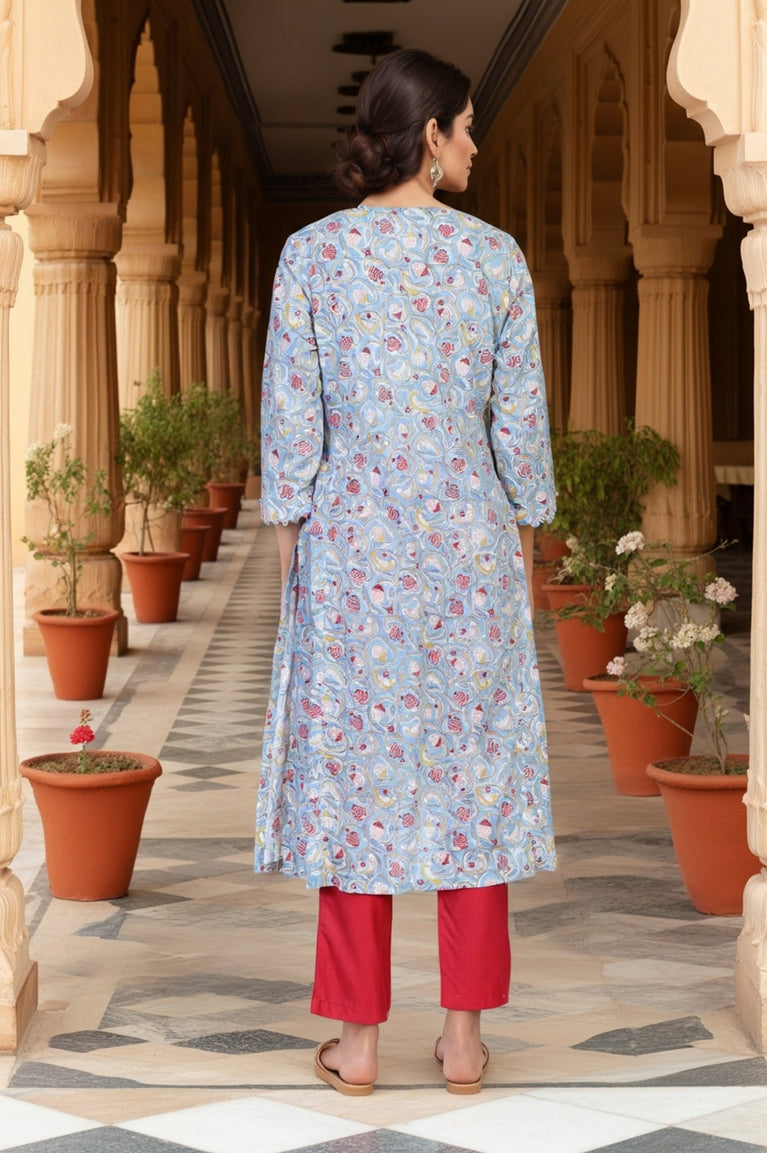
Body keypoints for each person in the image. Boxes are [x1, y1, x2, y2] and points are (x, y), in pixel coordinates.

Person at [256, 48, 557, 1096]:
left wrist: (298, 576)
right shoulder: (493, 260)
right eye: (467, 126)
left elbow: (292, 436)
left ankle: (358, 1045)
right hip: (470, 555)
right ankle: (462, 1042)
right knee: (473, 782)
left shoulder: (311, 257)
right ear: (429, 136)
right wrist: (523, 557)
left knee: (356, 789)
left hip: (350, 557)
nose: (477, 144)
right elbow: (519, 434)